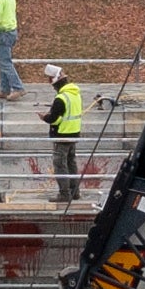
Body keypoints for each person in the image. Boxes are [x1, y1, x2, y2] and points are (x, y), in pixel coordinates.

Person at [46, 67, 85, 205]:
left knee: (60, 165)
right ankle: (75, 192)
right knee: (71, 162)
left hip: (62, 135)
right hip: (74, 133)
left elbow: (54, 119)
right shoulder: (75, 94)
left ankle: (64, 194)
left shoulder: (60, 98)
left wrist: (45, 117)